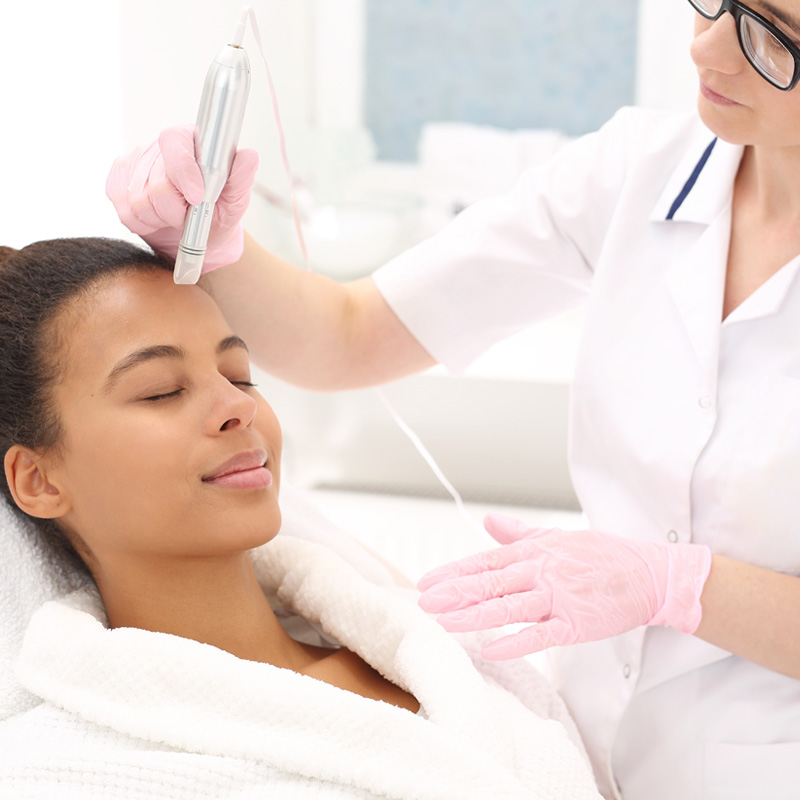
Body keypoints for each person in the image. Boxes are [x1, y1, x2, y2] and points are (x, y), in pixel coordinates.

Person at [104, 1, 800, 798]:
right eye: (721, 2)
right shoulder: (638, 169)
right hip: (572, 745)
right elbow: (348, 334)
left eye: (771, 36)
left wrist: (679, 585)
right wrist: (215, 240)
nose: (706, 48)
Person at [0, 238, 600, 799]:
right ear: (39, 480)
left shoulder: (450, 653)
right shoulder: (63, 773)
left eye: (239, 376)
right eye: (161, 391)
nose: (239, 406)